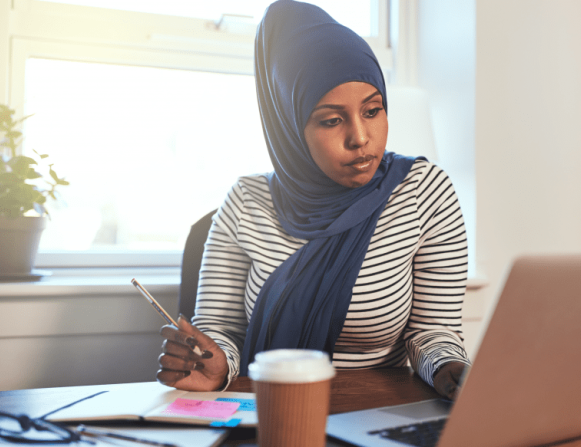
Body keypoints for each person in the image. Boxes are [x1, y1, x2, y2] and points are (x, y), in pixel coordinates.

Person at [157, 0, 471, 400]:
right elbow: (221, 330)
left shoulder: (425, 192)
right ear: (290, 125)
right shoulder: (246, 201)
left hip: (377, 411)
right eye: (331, 120)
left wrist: (449, 367)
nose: (360, 137)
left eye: (373, 111)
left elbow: (433, 331)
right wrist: (215, 365)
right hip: (269, 409)